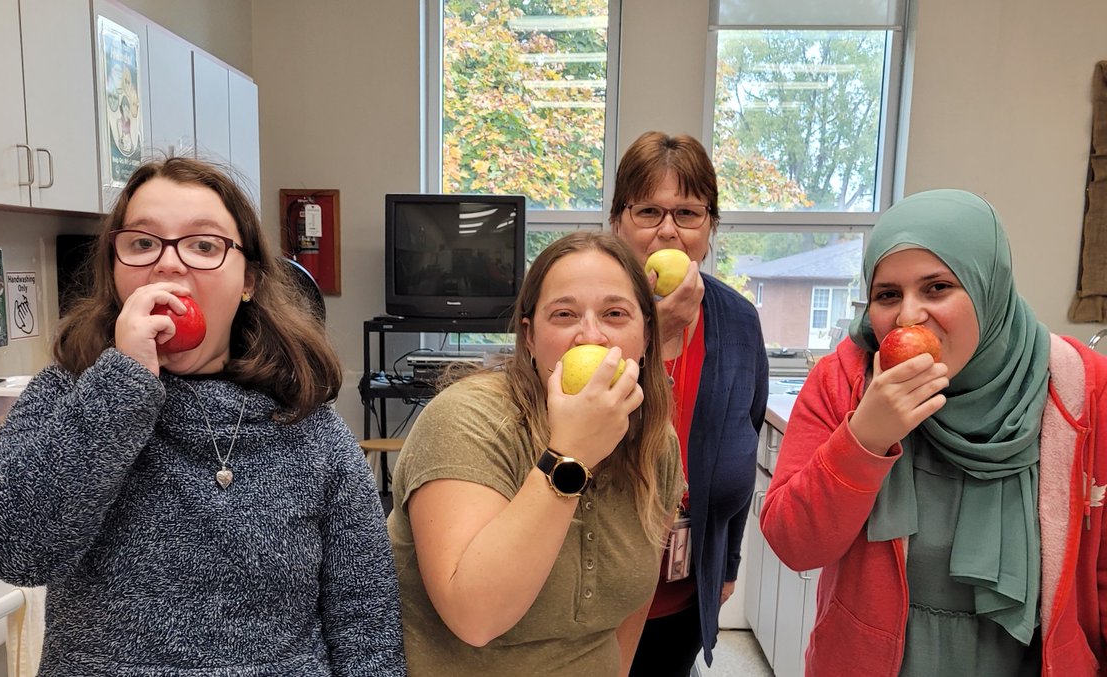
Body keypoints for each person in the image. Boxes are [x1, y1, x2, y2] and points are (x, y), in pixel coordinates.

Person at [0, 157, 405, 677]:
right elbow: (13, 551)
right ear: (115, 270)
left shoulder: (310, 429)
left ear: (250, 281)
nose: (169, 265)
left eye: (204, 245)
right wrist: (124, 383)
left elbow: (365, 624)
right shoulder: (70, 394)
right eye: (143, 243)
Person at [760, 188, 1107, 675]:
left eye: (937, 288)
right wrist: (865, 437)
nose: (907, 316)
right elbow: (794, 544)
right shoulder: (845, 380)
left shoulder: (1080, 388)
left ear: (989, 288)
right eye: (887, 295)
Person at [388, 231, 685, 676]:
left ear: (645, 334)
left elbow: (631, 609)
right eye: (564, 314)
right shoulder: (464, 421)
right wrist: (570, 455)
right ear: (529, 337)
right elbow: (476, 616)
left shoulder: (655, 444)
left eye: (615, 314)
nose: (591, 336)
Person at [610, 131, 769, 674]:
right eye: (650, 210)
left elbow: (742, 450)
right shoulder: (590, 315)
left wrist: (727, 564)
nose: (668, 230)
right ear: (618, 223)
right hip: (592, 599)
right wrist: (652, 330)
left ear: (710, 227)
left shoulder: (739, 324)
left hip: (681, 596)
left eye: (688, 213)